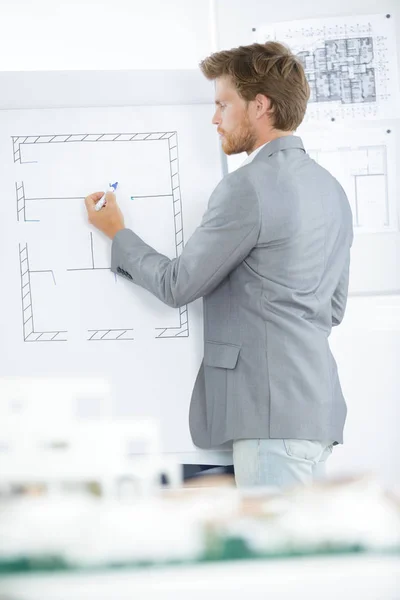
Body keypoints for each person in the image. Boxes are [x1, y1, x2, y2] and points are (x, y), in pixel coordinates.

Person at [84, 41, 353, 489]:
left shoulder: (247, 187)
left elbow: (178, 284)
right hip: (315, 414)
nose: (214, 119)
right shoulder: (331, 190)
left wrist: (117, 232)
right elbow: (334, 307)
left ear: (260, 105)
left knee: (269, 555)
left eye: (223, 104)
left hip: (269, 419)